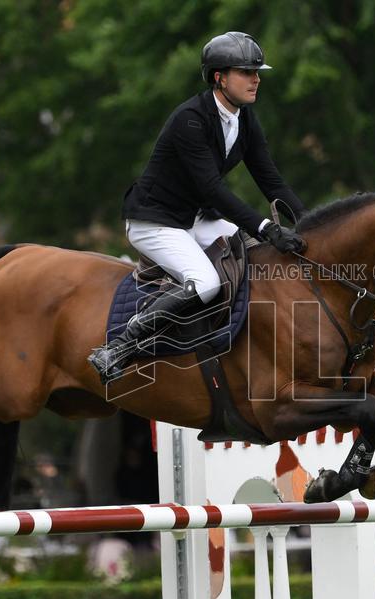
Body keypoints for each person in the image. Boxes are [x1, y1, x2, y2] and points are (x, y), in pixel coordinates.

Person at [89, 31, 306, 381]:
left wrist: (310, 225)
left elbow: (272, 182)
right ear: (219, 77)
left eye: (257, 72)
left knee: (261, 255)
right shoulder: (189, 119)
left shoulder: (246, 120)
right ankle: (121, 345)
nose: (256, 79)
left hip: (197, 218)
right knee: (205, 282)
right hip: (155, 221)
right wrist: (266, 227)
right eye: (246, 72)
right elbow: (213, 188)